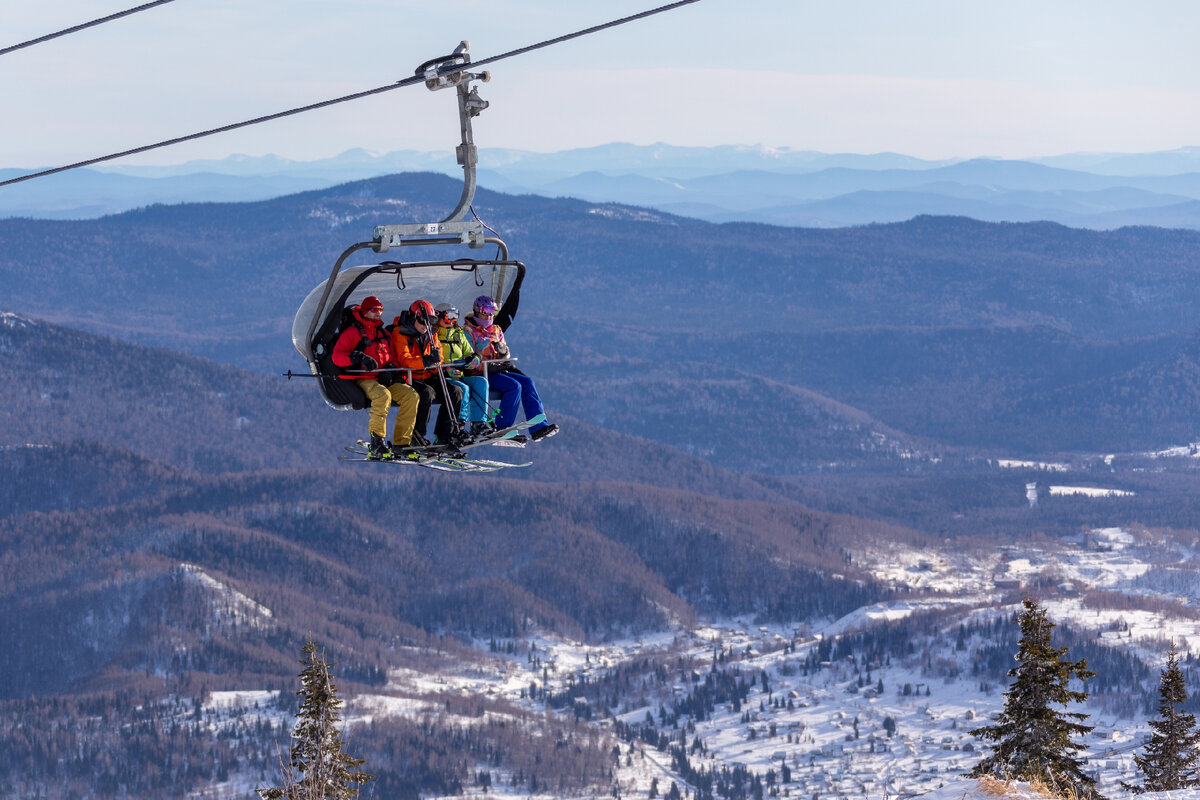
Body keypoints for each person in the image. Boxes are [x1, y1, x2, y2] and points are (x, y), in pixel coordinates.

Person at [330, 295, 419, 460]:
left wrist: (391, 369)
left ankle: (402, 443)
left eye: (380, 310)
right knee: (382, 396)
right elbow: (337, 357)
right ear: (365, 311)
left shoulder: (384, 334)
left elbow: (392, 357)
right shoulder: (353, 332)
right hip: (364, 378)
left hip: (383, 378)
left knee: (411, 396)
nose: (378, 313)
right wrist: (357, 357)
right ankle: (377, 441)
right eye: (374, 310)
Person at [463, 295, 559, 443]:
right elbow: (467, 358)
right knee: (513, 386)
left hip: (497, 370)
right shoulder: (468, 331)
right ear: (477, 311)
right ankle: (502, 427)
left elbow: (505, 351)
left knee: (528, 382)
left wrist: (503, 354)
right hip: (481, 373)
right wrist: (485, 364)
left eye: (491, 313)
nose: (489, 316)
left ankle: (538, 427)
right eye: (485, 312)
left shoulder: (496, 330)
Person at [388, 299, 466, 447]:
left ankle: (445, 435)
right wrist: (425, 361)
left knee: (455, 392)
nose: (426, 326)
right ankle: (417, 434)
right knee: (427, 393)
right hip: (409, 376)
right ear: (413, 318)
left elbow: (439, 356)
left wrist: (435, 362)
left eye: (430, 322)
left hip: (427, 374)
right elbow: (404, 360)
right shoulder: (400, 333)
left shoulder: (431, 333)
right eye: (423, 321)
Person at [434, 303, 493, 436]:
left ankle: (478, 423)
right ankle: (459, 425)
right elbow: (433, 358)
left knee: (481, 382)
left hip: (459, 374)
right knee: (464, 389)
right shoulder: (434, 335)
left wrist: (474, 359)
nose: (452, 320)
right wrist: (446, 369)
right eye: (448, 316)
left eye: (455, 316)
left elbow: (469, 352)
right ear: (438, 317)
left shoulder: (459, 333)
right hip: (443, 376)